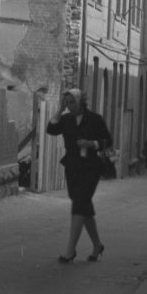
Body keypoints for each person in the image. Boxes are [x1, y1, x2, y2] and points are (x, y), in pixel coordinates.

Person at [46, 87, 113, 264]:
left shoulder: (95, 119)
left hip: (91, 167)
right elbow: (50, 129)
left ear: (80, 101)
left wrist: (92, 143)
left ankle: (70, 250)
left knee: (80, 203)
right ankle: (97, 245)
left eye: (71, 102)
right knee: (83, 206)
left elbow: (108, 140)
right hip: (72, 166)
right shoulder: (66, 119)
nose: (69, 106)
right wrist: (59, 110)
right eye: (66, 103)